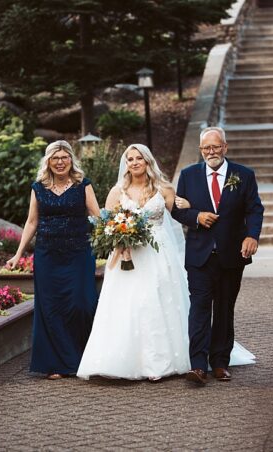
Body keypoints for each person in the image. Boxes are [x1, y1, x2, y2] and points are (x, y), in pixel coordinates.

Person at [77, 144, 191, 381]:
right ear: (126, 164)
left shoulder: (164, 188)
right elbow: (105, 225)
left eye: (139, 158)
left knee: (155, 301)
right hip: (127, 255)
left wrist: (188, 206)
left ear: (148, 161)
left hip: (159, 253)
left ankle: (159, 364)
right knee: (127, 303)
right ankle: (119, 362)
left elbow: (181, 217)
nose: (135, 162)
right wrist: (120, 236)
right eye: (130, 159)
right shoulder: (118, 191)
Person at [171, 126, 264, 386]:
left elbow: (255, 209)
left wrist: (252, 236)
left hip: (232, 254)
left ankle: (220, 362)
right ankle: (198, 365)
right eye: (206, 148)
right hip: (199, 255)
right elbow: (177, 211)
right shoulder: (189, 175)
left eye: (215, 147)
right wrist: (197, 216)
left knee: (224, 309)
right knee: (199, 309)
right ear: (200, 150)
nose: (211, 152)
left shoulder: (243, 175)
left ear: (225, 147)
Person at [6, 140, 99, 379]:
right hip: (47, 255)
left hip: (79, 252)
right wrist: (18, 254)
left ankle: (85, 358)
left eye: (64, 157)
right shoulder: (39, 187)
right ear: (47, 161)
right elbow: (32, 222)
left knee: (83, 303)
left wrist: (114, 243)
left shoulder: (83, 185)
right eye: (55, 158)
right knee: (51, 309)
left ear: (71, 160)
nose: (60, 162)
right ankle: (56, 364)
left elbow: (97, 216)